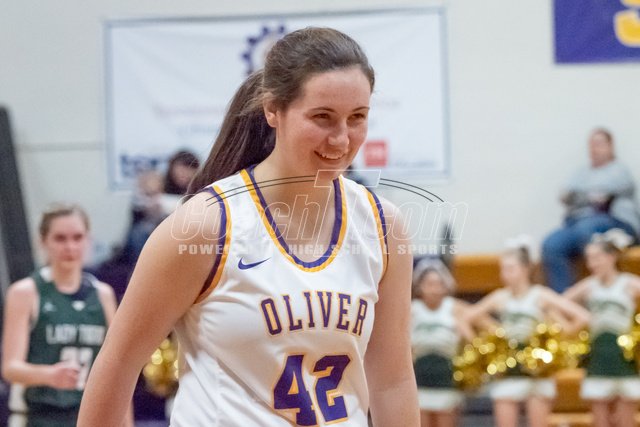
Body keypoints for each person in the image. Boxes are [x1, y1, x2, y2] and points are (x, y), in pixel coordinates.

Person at [78, 27, 420, 426]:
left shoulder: (383, 226)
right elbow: (118, 364)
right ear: (273, 110)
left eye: (357, 117)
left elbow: (392, 381)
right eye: (322, 117)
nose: (342, 139)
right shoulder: (206, 224)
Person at [1, 204, 131, 427]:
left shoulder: (103, 295)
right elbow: (10, 368)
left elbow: (118, 370)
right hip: (37, 417)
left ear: (88, 240)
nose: (70, 247)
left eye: (77, 238)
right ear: (43, 242)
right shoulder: (25, 292)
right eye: (60, 238)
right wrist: (49, 375)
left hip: (90, 417)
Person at [465, 242, 590, 427]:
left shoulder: (540, 295)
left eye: (510, 268)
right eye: (503, 269)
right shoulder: (500, 297)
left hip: (537, 370)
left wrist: (560, 338)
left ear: (525, 269)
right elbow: (467, 318)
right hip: (508, 367)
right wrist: (491, 334)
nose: (505, 274)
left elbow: (582, 316)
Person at [542, 128, 640, 292]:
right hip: (577, 223)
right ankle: (566, 299)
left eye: (599, 144)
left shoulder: (619, 170)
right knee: (552, 244)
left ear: (610, 146)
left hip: (614, 222)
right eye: (592, 144)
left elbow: (603, 193)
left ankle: (603, 292)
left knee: (585, 229)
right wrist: (587, 195)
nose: (595, 148)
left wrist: (581, 195)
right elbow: (565, 195)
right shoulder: (581, 173)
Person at [563, 229, 640, 427]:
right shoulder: (588, 286)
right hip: (598, 354)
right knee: (599, 420)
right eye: (589, 259)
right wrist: (571, 326)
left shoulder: (629, 283)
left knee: (626, 420)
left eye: (597, 258)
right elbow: (556, 304)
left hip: (624, 357)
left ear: (612, 257)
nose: (592, 264)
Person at [411, 258, 474, 427]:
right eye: (429, 284)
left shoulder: (455, 307)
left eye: (439, 284)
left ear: (446, 286)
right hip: (419, 376)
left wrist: (465, 333)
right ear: (420, 286)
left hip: (446, 375)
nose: (434, 289)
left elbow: (475, 336)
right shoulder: (412, 309)